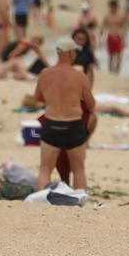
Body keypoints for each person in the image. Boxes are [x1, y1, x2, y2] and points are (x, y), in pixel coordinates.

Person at [32, 37, 97, 191]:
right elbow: (91, 104)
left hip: (52, 124)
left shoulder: (45, 73)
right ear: (69, 53)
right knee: (79, 170)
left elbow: (37, 98)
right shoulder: (79, 75)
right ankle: (80, 201)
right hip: (73, 125)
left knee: (45, 169)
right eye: (74, 51)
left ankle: (41, 200)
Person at [101, 0, 127, 74]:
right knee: (111, 56)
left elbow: (124, 28)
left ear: (116, 7)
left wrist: (125, 39)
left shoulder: (120, 16)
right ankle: (110, 70)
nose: (112, 9)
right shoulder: (107, 16)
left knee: (119, 55)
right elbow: (103, 27)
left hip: (118, 36)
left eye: (114, 7)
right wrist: (101, 38)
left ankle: (117, 71)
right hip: (110, 37)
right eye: (111, 7)